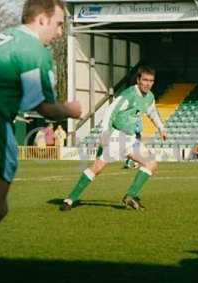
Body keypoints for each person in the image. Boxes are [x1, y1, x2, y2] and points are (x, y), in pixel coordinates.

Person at [0, 0, 82, 263]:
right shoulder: (34, 50)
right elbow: (44, 107)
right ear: (41, 19)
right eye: (58, 24)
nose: (60, 32)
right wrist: (70, 110)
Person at [61, 66, 167, 211]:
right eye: (145, 80)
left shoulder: (149, 97)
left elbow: (152, 112)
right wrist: (104, 134)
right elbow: (110, 111)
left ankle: (130, 196)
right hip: (116, 136)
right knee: (97, 168)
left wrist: (161, 128)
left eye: (151, 81)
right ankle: (70, 199)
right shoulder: (128, 95)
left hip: (130, 138)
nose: (148, 83)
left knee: (151, 163)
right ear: (138, 80)